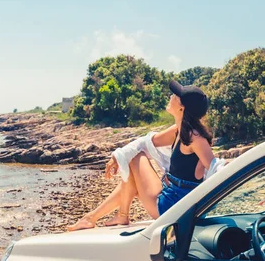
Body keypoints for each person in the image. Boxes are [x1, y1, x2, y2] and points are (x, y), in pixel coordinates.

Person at [68, 80, 215, 231]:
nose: (171, 96)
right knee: (131, 177)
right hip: (169, 192)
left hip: (171, 207)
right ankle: (92, 218)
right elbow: (147, 142)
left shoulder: (195, 138)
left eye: (175, 95)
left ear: (182, 108)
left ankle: (120, 215)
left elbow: (215, 169)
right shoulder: (180, 129)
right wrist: (117, 156)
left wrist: (198, 212)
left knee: (134, 157)